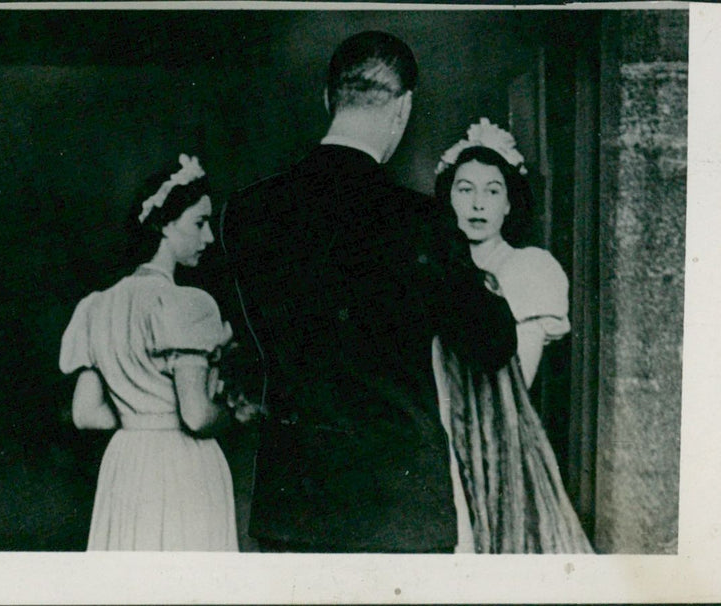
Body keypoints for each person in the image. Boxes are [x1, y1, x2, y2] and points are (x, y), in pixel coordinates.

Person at [220, 32, 517, 553]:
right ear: (404, 108)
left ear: (328, 98)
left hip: (294, 505)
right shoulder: (422, 221)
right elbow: (491, 344)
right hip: (397, 508)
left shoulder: (246, 213)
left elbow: (251, 339)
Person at [59, 154, 239, 551]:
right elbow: (196, 416)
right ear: (163, 225)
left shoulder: (96, 306)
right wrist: (233, 413)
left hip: (126, 463)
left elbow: (85, 414)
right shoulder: (187, 303)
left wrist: (139, 418)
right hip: (180, 465)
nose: (209, 237)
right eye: (199, 222)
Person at [433, 118, 593, 553]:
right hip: (434, 443)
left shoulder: (530, 269)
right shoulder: (433, 270)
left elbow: (512, 383)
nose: (478, 204)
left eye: (492, 190)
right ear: (447, 198)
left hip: (498, 443)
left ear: (509, 204)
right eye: (465, 189)